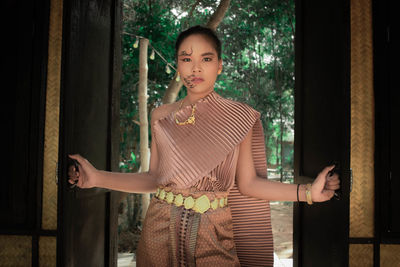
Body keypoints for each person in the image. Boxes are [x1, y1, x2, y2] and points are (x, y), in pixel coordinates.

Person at [68, 25, 340, 267]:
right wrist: (95, 177)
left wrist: (308, 194)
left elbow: (248, 185)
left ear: (219, 65)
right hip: (159, 229)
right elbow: (153, 179)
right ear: (178, 64)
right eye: (186, 59)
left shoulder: (238, 117)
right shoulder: (161, 115)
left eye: (206, 59)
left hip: (215, 233)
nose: (195, 68)